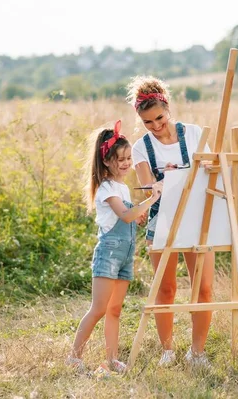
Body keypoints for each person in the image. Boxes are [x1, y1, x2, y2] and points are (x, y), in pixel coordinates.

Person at [127, 75, 214, 368]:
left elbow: (212, 171)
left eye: (159, 118)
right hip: (162, 220)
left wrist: (212, 166)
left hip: (198, 218)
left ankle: (197, 352)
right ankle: (168, 350)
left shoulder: (194, 134)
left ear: (167, 107)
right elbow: (147, 184)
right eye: (148, 122)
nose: (155, 126)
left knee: (203, 288)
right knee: (165, 289)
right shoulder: (140, 147)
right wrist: (156, 188)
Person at [66, 119, 163, 377]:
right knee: (98, 308)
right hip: (109, 254)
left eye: (129, 157)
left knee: (115, 310)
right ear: (106, 160)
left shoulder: (122, 187)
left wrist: (139, 212)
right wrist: (150, 201)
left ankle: (111, 359)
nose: (126, 163)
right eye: (120, 158)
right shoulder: (106, 187)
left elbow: (131, 214)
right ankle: (74, 357)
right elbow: (125, 216)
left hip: (125, 255)